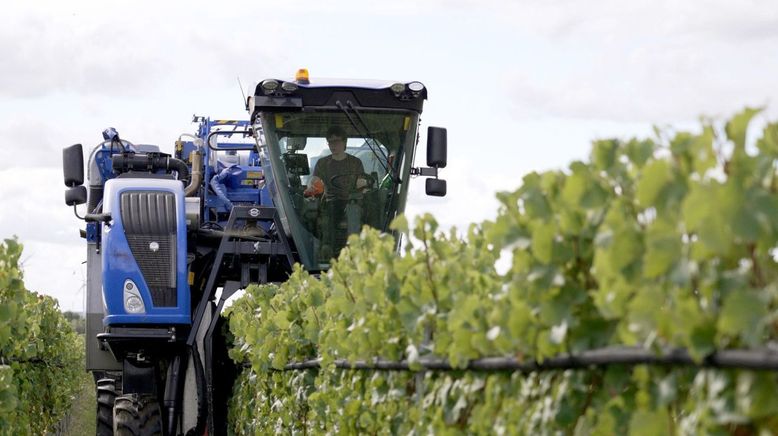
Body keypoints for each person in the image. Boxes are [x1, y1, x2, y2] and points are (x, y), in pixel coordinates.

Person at [304, 126, 367, 199]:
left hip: (352, 201)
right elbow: (315, 180)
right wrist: (312, 187)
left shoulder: (355, 162)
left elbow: (361, 183)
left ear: (344, 142)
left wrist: (363, 186)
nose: (333, 145)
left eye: (336, 141)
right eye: (330, 142)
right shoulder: (322, 163)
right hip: (330, 203)